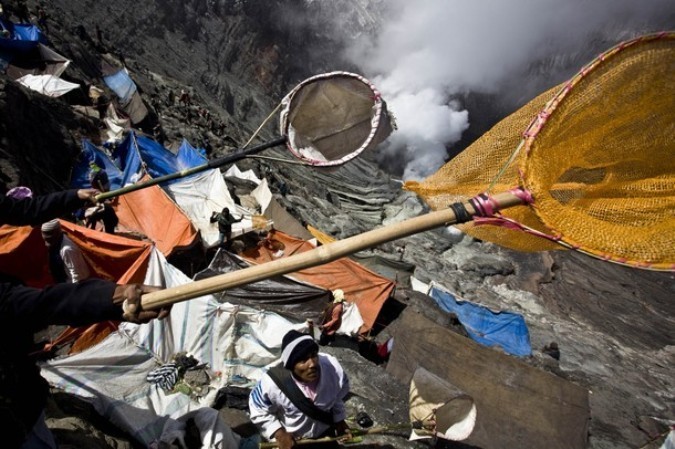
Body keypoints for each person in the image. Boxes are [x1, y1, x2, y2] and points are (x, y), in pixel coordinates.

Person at [0, 188, 171, 448]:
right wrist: (112, 298)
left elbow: (24, 211)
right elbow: (39, 303)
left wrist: (109, 297)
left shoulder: (67, 249)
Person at [249, 330, 351, 449]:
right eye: (303, 360)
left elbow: (337, 395)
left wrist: (339, 420)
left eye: (314, 355)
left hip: (325, 432)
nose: (312, 364)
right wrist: (279, 433)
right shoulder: (272, 383)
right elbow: (258, 409)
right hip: (295, 440)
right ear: (291, 366)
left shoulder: (333, 369)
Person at [41, 219, 91, 283]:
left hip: (73, 283)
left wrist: (73, 290)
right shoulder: (56, 242)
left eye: (50, 239)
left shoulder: (67, 249)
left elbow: (76, 274)